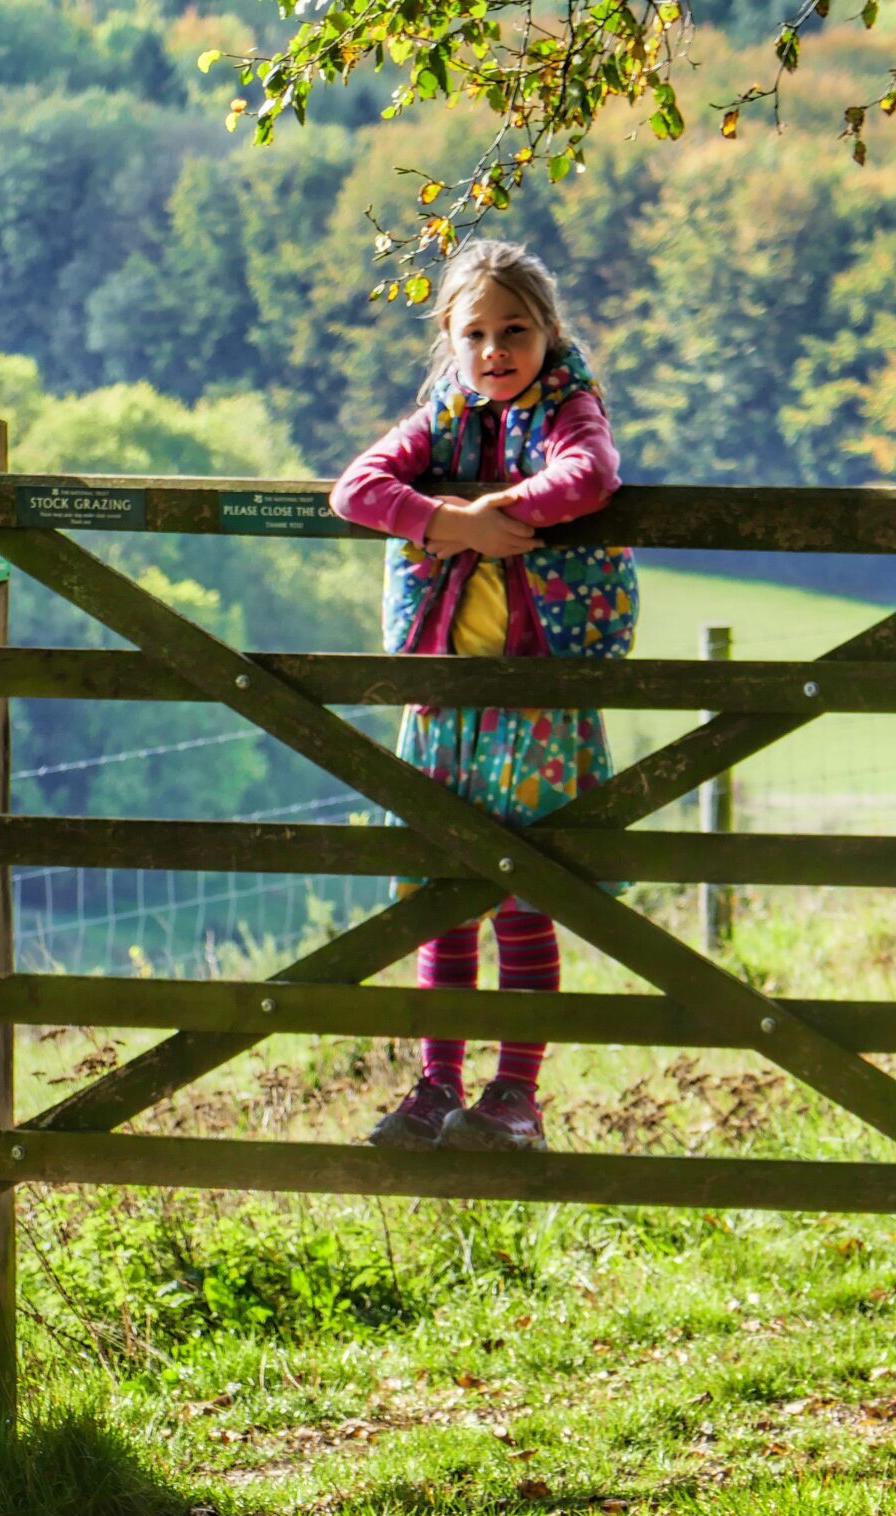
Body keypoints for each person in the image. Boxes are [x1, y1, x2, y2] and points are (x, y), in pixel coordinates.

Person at [329, 239, 640, 1154]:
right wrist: (451, 520)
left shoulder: (569, 410)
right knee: (442, 894)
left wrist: (510, 514)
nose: (496, 350)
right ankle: (434, 1086)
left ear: (549, 333)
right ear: (450, 341)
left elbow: (591, 478)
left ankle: (515, 1093)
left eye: (516, 331)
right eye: (476, 334)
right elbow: (355, 490)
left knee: (524, 898)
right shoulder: (442, 419)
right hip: (444, 699)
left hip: (538, 699)